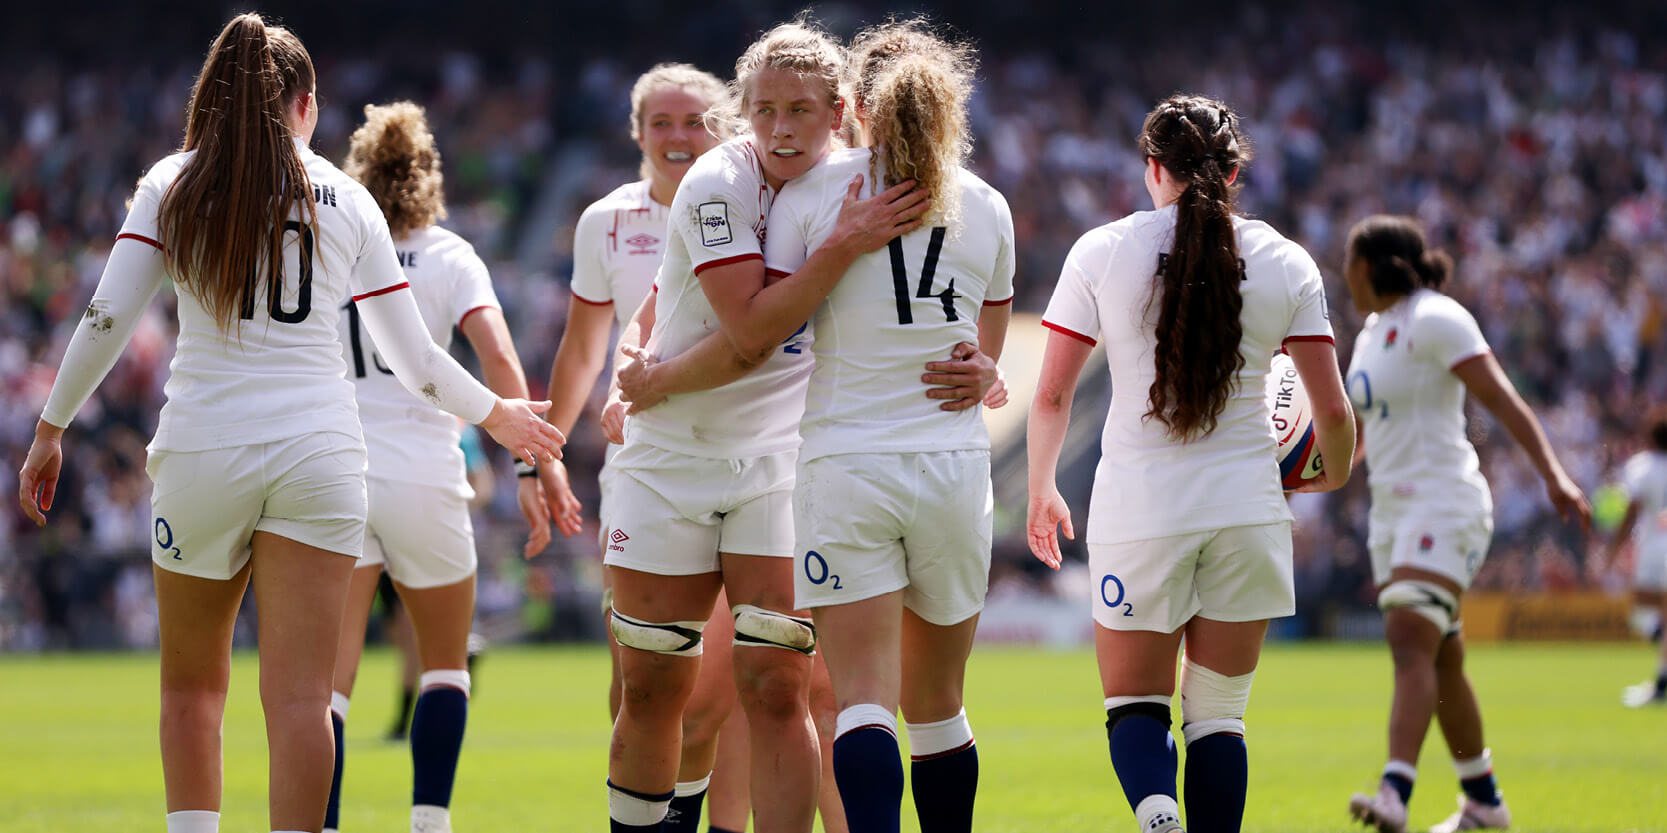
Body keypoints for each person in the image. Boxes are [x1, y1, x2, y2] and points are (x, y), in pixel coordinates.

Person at [14, 15, 563, 833]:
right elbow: (415, 360)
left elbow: (104, 318)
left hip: (203, 450)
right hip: (322, 454)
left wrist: (51, 428)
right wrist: (500, 416)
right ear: (307, 105)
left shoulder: (172, 180)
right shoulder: (346, 198)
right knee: (305, 698)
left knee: (192, 690)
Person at [596, 18, 938, 833]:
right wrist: (643, 371)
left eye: (802, 110)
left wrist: (980, 358)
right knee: (650, 690)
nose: (782, 129)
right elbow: (748, 333)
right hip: (670, 461)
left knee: (780, 689)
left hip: (783, 465)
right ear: (741, 111)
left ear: (840, 110)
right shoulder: (717, 183)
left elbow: (938, 282)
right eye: (765, 110)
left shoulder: (854, 188)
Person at [1027, 95, 1353, 833]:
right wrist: (1328, 474)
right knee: (1219, 717)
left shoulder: (1102, 249)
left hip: (1139, 508)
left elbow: (1050, 393)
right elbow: (1330, 413)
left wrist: (1042, 487)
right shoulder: (1285, 260)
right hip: (1247, 509)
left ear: (1152, 169)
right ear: (1234, 171)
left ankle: (1156, 812)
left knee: (1134, 707)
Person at [755, 20, 1010, 833]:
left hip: (847, 463)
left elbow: (763, 324)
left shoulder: (811, 194)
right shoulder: (987, 203)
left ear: (854, 107)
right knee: (938, 706)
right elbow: (982, 351)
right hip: (952, 467)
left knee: (861, 697)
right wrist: (983, 373)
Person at [319, 101, 547, 833]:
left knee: (328, 684)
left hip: (339, 470)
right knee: (445, 665)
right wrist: (531, 467)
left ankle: (320, 821)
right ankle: (429, 821)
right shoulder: (451, 256)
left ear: (358, 170)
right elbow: (501, 362)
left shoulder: (331, 250)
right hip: (424, 470)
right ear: (429, 176)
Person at [538, 62, 754, 833]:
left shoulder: (754, 201)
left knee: (720, 691)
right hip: (646, 469)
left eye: (693, 120)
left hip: (745, 460)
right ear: (636, 133)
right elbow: (581, 347)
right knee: (640, 682)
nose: (677, 136)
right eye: (660, 122)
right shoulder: (607, 220)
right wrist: (545, 452)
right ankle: (646, 810)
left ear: (723, 127)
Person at [1340, 215, 1591, 833]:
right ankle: (1484, 803)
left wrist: (1553, 474)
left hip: (1444, 501)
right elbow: (1363, 436)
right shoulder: (1370, 334)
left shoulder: (1436, 317)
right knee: (1441, 659)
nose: (1343, 274)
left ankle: (1395, 790)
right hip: (1392, 513)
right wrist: (1299, 478)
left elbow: (1502, 398)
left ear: (1369, 265)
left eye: (1348, 261)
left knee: (1407, 638)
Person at [1606, 407, 1667, 707]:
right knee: (1656, 615)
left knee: (1642, 614)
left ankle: (1661, 684)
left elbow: (1632, 509)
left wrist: (1614, 548)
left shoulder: (1643, 466)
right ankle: (1661, 682)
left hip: (1655, 547)